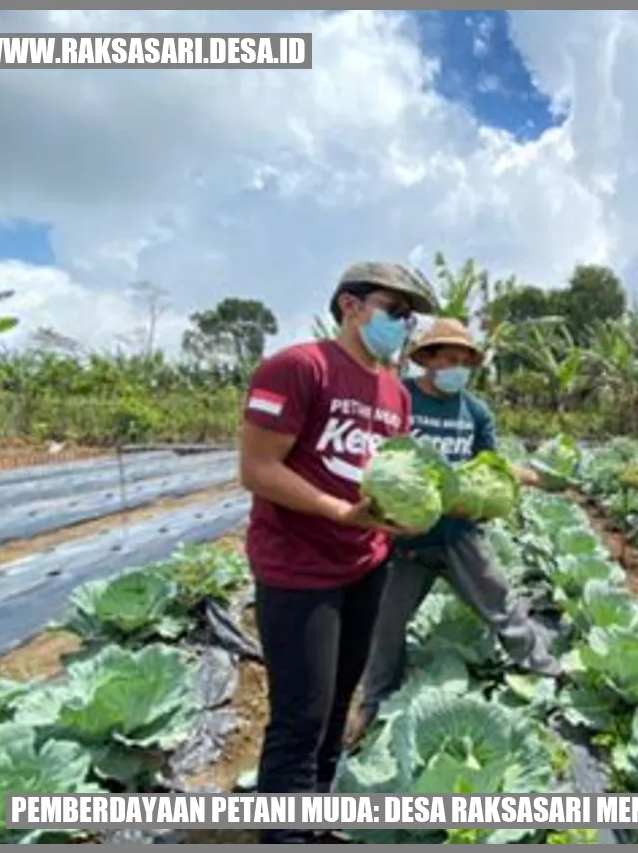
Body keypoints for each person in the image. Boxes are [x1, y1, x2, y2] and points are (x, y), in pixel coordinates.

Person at [238, 261, 438, 843]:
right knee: (300, 713)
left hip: (365, 563)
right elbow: (257, 469)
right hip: (298, 565)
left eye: (410, 316)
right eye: (394, 310)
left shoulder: (394, 393)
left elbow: (385, 473)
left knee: (336, 704)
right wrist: (340, 512)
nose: (403, 324)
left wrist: (402, 514)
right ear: (350, 305)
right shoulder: (299, 368)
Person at [349, 317, 562, 739]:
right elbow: (374, 457)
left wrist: (500, 491)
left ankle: (544, 669)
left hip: (458, 532)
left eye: (465, 360)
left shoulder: (476, 411)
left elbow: (489, 465)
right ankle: (373, 700)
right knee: (386, 624)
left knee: (499, 601)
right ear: (427, 360)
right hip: (401, 537)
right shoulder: (397, 398)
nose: (458, 367)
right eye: (449, 358)